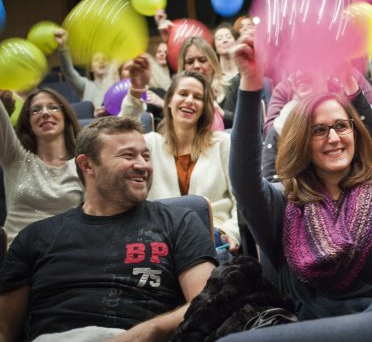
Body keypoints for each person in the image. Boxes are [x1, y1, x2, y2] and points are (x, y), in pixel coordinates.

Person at [229, 38, 372, 320]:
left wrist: (361, 328)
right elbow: (244, 182)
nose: (333, 138)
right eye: (318, 130)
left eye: (341, 126)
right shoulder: (283, 203)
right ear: (302, 142)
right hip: (311, 332)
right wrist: (251, 82)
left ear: (355, 133)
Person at [0, 116, 216, 342]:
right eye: (128, 155)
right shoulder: (35, 237)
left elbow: (209, 302)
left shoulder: (178, 222)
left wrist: (149, 331)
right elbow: (5, 329)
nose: (142, 165)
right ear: (87, 165)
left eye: (145, 156)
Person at [121, 60, 240, 250]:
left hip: (212, 237)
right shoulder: (150, 143)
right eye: (183, 94)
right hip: (160, 240)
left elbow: (239, 198)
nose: (189, 100)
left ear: (203, 108)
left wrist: (232, 232)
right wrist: (136, 91)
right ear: (169, 101)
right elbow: (119, 138)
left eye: (198, 97)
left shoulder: (222, 143)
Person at [261, 69, 372, 181]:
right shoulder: (281, 124)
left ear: (327, 73)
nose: (299, 74)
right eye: (318, 130)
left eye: (340, 126)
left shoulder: (345, 102)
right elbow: (270, 183)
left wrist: (349, 84)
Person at [0, 88, 83, 244]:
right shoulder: (14, 156)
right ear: (28, 123)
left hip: (63, 254)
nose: (45, 113)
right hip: (15, 256)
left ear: (65, 117)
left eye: (53, 107)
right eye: (35, 110)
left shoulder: (82, 164)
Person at [55, 29, 114, 116]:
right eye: (97, 60)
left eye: (105, 59)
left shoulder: (117, 84)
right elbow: (68, 71)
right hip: (92, 124)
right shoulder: (85, 85)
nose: (101, 62)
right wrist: (62, 46)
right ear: (91, 68)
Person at [179, 36, 232, 129]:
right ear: (183, 67)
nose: (196, 66)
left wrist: (221, 112)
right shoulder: (177, 95)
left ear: (212, 63)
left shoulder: (231, 87)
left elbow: (249, 127)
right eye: (190, 61)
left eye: (202, 60)